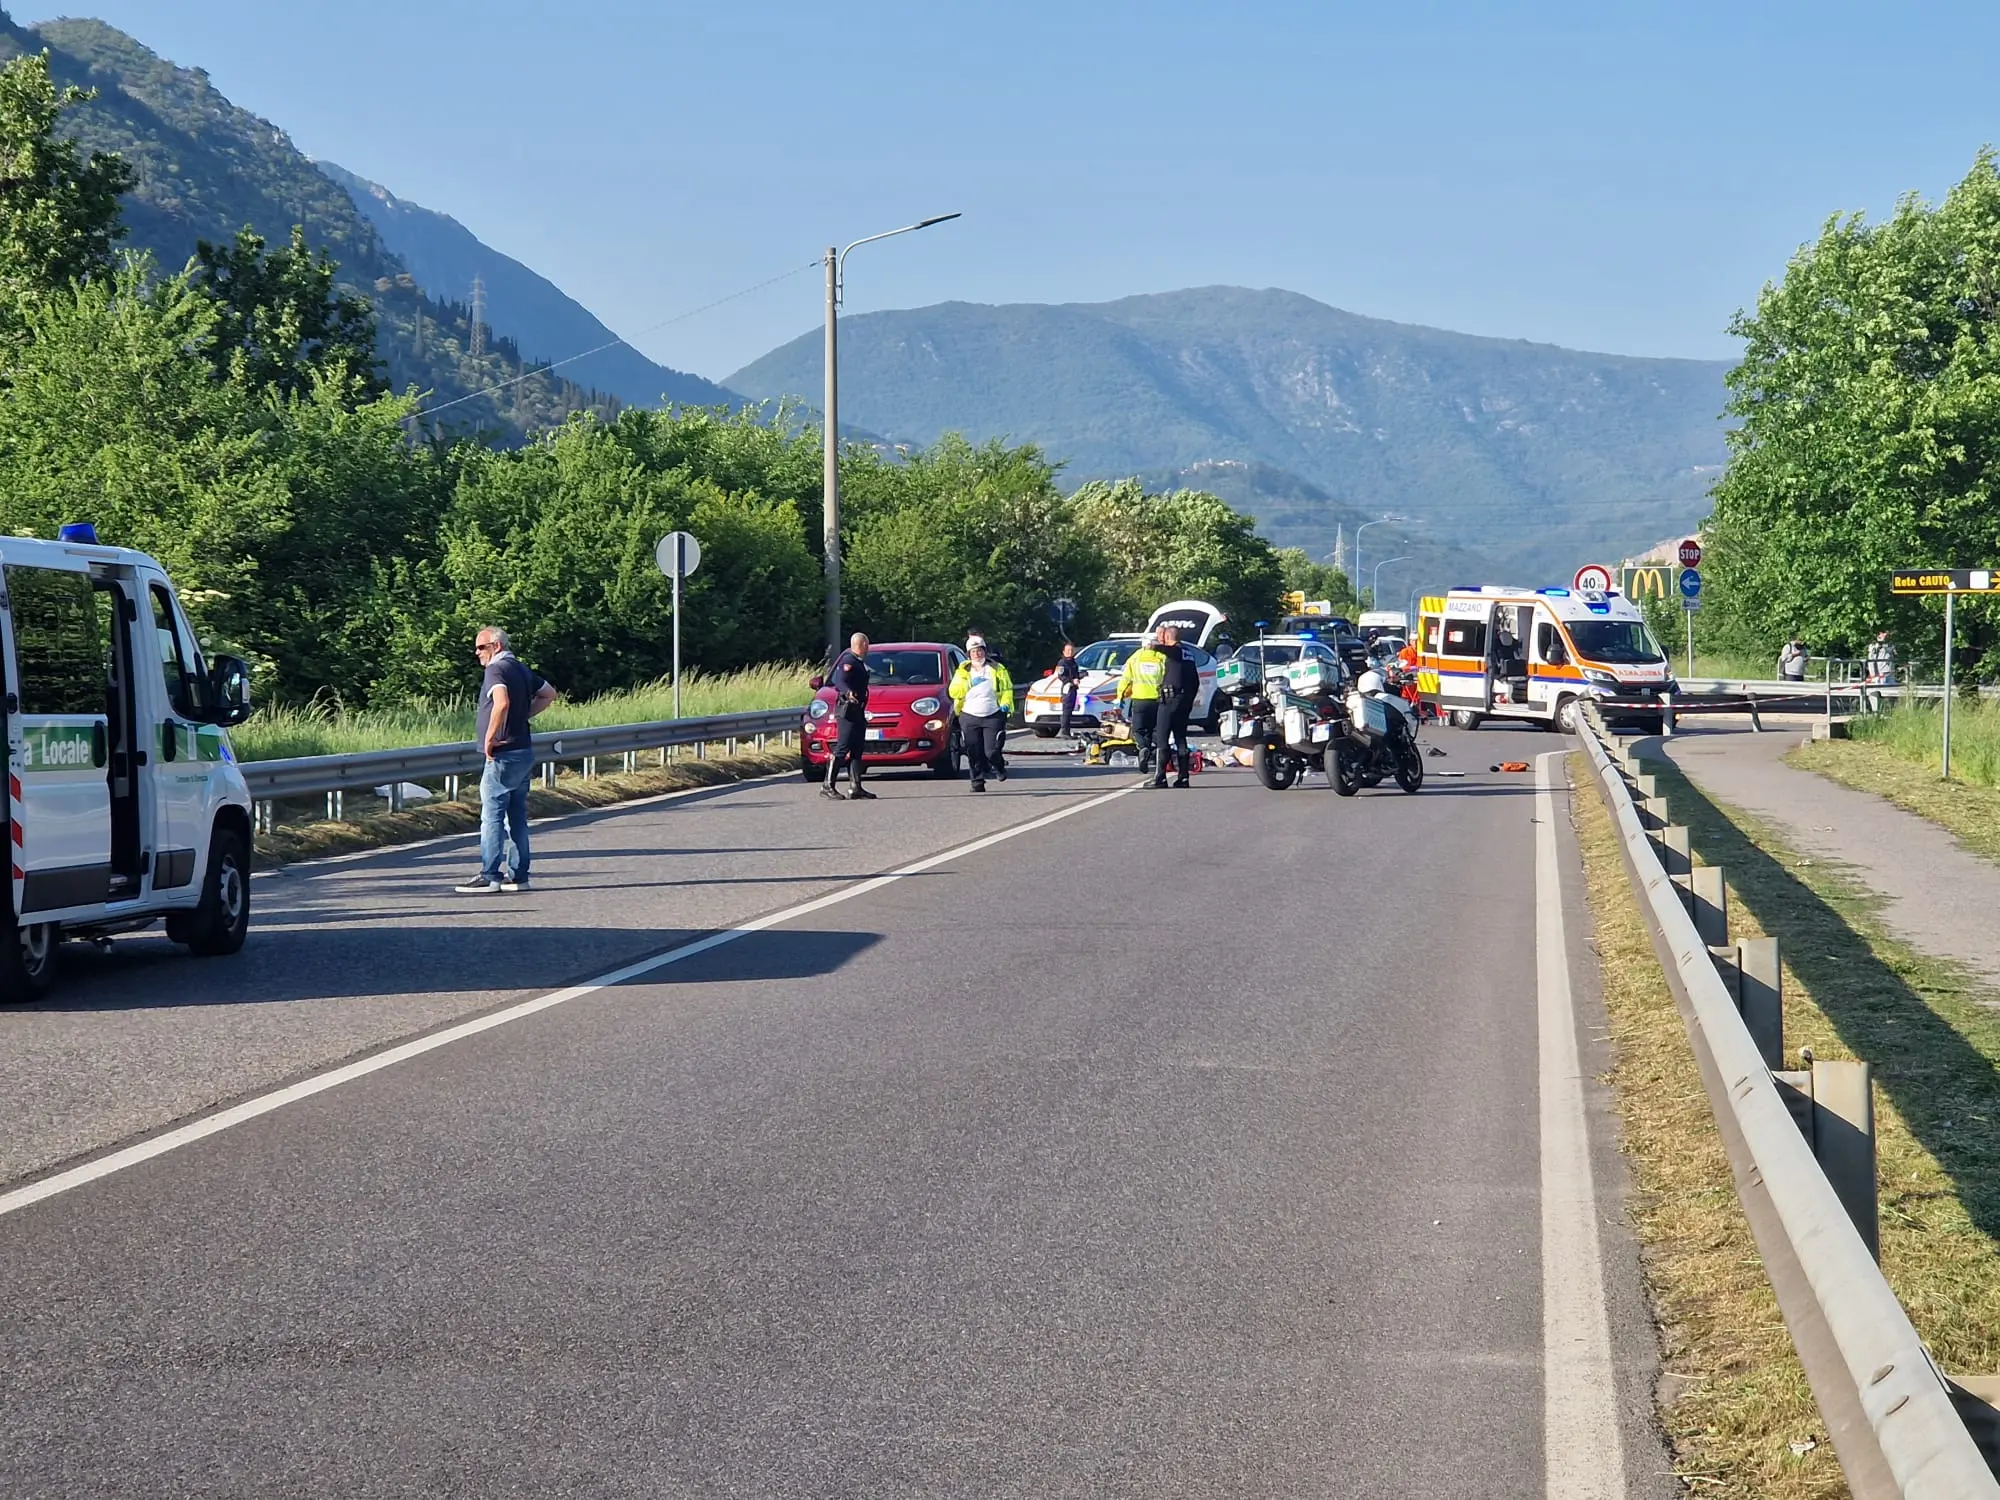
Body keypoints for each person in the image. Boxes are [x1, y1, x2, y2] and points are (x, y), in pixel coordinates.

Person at [456, 626, 558, 894]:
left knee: (492, 816)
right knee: (517, 817)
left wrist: (490, 737)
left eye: (481, 647)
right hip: (523, 749)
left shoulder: (496, 669)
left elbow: (500, 703)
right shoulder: (521, 668)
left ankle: (490, 874)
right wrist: (522, 716)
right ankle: (519, 876)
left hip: (503, 752)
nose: (477, 653)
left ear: (496, 646)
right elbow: (549, 694)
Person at [949, 640, 1014, 792]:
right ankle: (977, 782)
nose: (977, 654)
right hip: (969, 715)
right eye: (973, 652)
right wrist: (970, 684)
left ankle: (999, 767)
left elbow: (1007, 689)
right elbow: (953, 692)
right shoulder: (962, 671)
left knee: (991, 751)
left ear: (985, 651)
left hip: (992, 714)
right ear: (968, 655)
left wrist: (1005, 703)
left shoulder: (997, 668)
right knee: (973, 750)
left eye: (979, 651)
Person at [824, 632, 876, 800]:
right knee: (842, 747)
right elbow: (840, 680)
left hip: (858, 711)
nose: (868, 648)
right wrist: (848, 692)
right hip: (847, 711)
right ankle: (828, 785)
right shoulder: (849, 660)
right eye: (866, 645)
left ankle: (855, 787)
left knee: (857, 749)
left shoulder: (859, 662)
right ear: (860, 645)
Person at [1152, 624, 1199, 788]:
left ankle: (1160, 777)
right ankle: (1183, 776)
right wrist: (1189, 699)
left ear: (1168, 637)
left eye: (1164, 636)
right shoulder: (1188, 653)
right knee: (1180, 738)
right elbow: (1196, 681)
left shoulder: (1176, 651)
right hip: (1184, 700)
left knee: (1162, 738)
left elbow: (1160, 649)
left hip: (1170, 699)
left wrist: (1156, 642)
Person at [1116, 631, 1167, 774]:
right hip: (1157, 699)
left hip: (1139, 699)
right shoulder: (1162, 658)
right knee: (1155, 730)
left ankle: (1143, 748)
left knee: (1138, 729)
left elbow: (1126, 678)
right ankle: (1157, 759)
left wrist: (1120, 696)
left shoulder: (1135, 657)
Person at [1054, 641, 1083, 738]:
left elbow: (1075, 674)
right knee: (1066, 710)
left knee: (1070, 710)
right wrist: (1072, 680)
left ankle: (1067, 731)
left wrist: (1081, 676)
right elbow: (1061, 676)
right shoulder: (1062, 663)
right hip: (1067, 688)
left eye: (1071, 650)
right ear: (1063, 652)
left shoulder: (1073, 662)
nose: (1070, 652)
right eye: (1068, 650)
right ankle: (1064, 731)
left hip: (1073, 688)